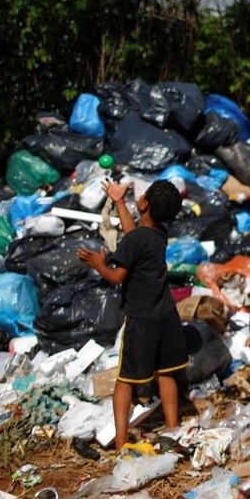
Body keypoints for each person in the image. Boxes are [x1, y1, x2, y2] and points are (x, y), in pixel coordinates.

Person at [77, 178, 187, 453]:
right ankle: (173, 429)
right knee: (166, 373)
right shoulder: (157, 233)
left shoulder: (138, 237)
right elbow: (132, 234)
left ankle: (120, 441)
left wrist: (98, 264)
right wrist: (118, 201)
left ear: (145, 203)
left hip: (142, 318)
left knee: (125, 380)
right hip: (166, 313)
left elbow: (117, 276)